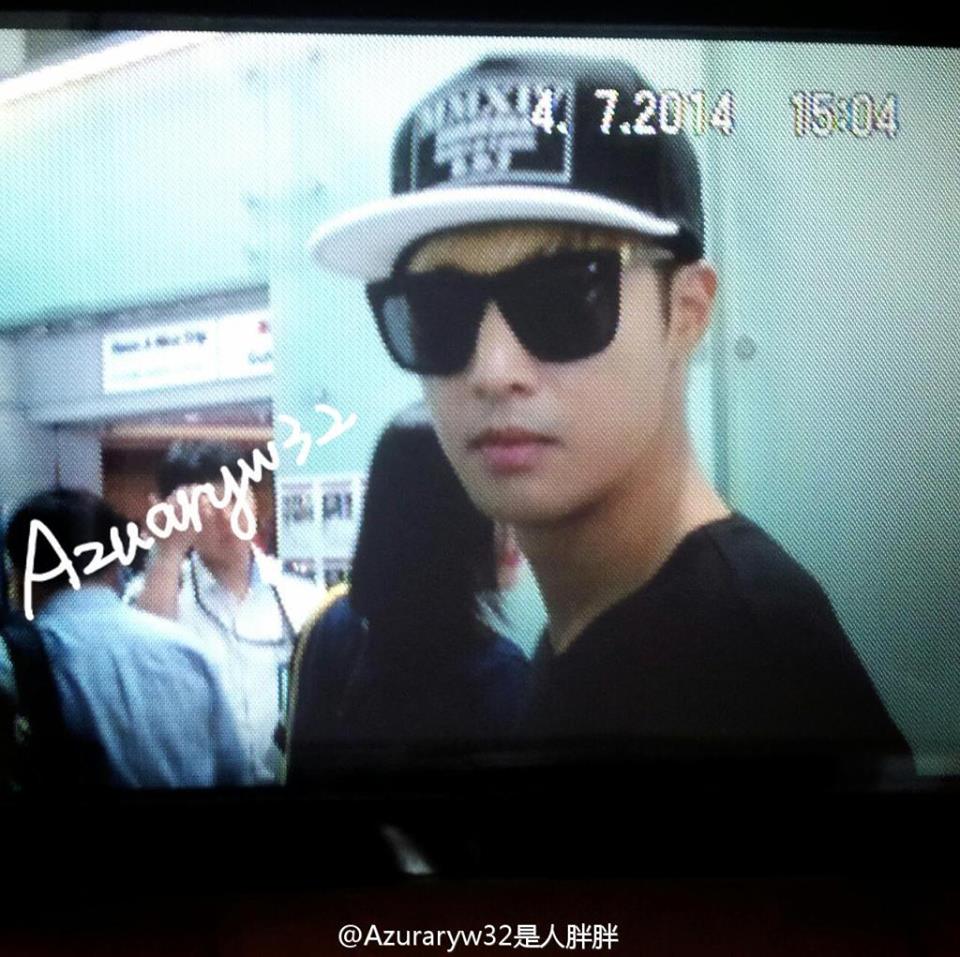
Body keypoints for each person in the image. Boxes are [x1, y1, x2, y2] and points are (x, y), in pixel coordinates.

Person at [306, 53, 913, 770]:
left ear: (687, 312)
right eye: (437, 309)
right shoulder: (604, 629)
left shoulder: (742, 675)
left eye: (568, 295)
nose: (493, 372)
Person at [284, 405, 530, 781]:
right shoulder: (500, 677)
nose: (518, 522)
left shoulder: (330, 622)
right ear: (444, 519)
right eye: (492, 497)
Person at [2, 488, 245, 787]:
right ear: (117, 566)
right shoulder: (189, 652)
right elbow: (233, 773)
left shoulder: (9, 663)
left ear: (18, 576)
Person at [126, 442, 322, 785]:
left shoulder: (302, 596)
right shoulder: (157, 594)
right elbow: (144, 674)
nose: (226, 517)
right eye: (205, 508)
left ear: (254, 502)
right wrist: (168, 550)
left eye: (233, 498)